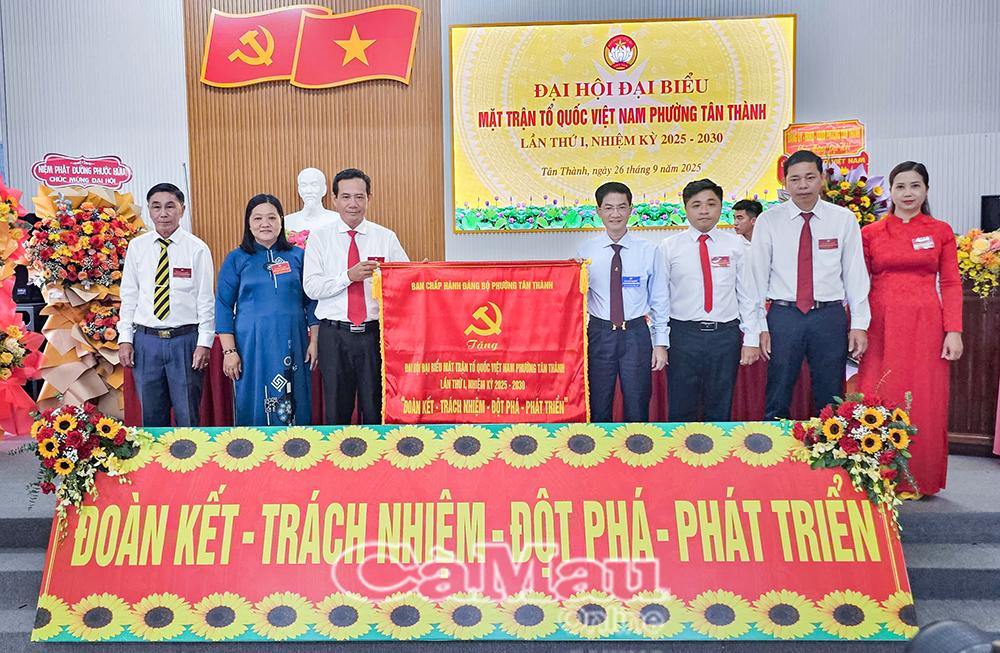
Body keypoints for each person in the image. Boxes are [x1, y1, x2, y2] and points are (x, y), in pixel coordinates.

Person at [857, 161, 962, 497]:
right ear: (890, 191)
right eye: (900, 186)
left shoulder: (940, 231)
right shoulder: (871, 233)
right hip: (879, 324)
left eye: (915, 186)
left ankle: (919, 478)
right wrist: (856, 326)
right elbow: (858, 285)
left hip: (925, 325)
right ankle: (876, 472)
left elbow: (950, 282)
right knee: (877, 392)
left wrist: (954, 330)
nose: (907, 193)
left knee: (924, 397)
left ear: (926, 190)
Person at [750, 150, 870, 419]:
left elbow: (855, 275)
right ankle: (775, 443)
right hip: (784, 315)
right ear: (785, 182)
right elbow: (756, 278)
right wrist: (759, 326)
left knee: (830, 393)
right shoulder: (769, 221)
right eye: (794, 179)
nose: (802, 185)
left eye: (809, 177)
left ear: (821, 179)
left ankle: (829, 443)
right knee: (778, 390)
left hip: (829, 316)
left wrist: (859, 324)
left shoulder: (843, 219)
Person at [303, 168, 408, 424]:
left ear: (369, 198)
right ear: (334, 200)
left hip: (375, 336)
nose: (353, 204)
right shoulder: (319, 239)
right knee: (336, 411)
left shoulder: (386, 237)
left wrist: (420, 273)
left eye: (359, 197)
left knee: (375, 409)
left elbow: (404, 281)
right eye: (346, 197)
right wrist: (348, 276)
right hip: (334, 335)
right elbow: (311, 287)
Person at [660, 179, 761, 421]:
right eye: (696, 205)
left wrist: (751, 339)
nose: (704, 211)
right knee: (681, 408)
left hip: (724, 336)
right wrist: (660, 341)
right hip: (683, 336)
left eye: (711, 204)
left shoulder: (736, 246)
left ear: (720, 207)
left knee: (720, 407)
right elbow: (660, 298)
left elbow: (748, 295)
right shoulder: (669, 247)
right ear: (686, 209)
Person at [216, 195, 320, 426]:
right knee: (253, 398)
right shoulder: (236, 259)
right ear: (248, 222)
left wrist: (315, 341)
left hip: (293, 340)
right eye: (258, 218)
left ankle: (296, 446)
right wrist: (229, 351)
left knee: (295, 398)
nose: (265, 224)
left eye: (272, 218)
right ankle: (254, 447)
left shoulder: (298, 256)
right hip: (251, 344)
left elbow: (312, 301)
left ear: (281, 221)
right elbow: (223, 305)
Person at [118, 183, 214, 427]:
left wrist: (204, 343)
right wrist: (125, 339)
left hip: (185, 342)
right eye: (156, 207)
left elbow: (206, 300)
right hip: (146, 342)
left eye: (170, 206)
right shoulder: (137, 247)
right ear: (149, 211)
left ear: (182, 209)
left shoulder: (197, 249)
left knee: (188, 416)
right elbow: (129, 295)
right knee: (151, 418)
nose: (163, 213)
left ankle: (189, 454)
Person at [577, 181, 668, 422]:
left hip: (636, 335)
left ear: (630, 210)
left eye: (621, 207)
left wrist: (660, 343)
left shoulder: (648, 250)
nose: (615, 214)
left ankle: (637, 446)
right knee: (598, 404)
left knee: (638, 404)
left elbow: (660, 299)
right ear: (599, 211)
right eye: (608, 208)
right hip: (600, 334)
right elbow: (575, 299)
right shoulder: (586, 252)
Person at [284, 167, 340, 248]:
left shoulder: (337, 219)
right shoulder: (287, 221)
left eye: (314, 185)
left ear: (324, 189)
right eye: (304, 185)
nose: (309, 191)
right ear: (299, 190)